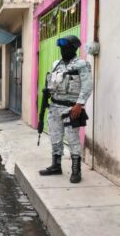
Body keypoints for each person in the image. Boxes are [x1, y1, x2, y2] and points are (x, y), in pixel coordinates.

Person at [39, 35, 93, 183]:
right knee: (55, 137)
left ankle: (76, 170)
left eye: (66, 47)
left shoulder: (82, 65)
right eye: (61, 48)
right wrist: (47, 92)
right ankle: (56, 165)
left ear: (73, 48)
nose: (63, 50)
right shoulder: (57, 64)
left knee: (72, 138)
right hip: (55, 106)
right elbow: (53, 83)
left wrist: (79, 104)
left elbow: (87, 86)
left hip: (71, 108)